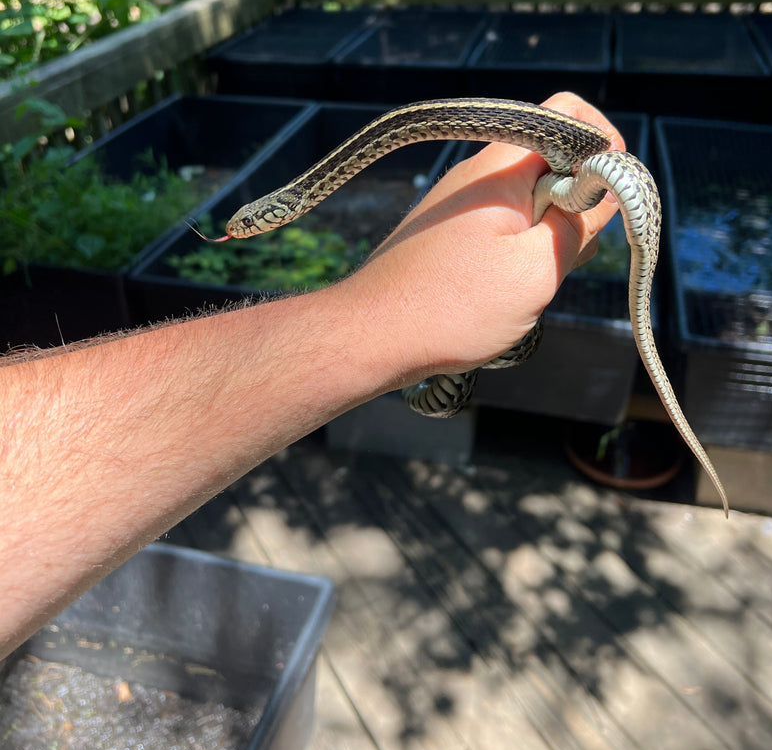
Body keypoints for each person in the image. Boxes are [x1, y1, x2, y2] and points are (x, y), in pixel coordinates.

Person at [0, 92, 623, 659]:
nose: (239, 232)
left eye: (248, 225)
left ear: (278, 212)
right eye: (243, 227)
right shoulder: (312, 184)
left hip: (557, 161)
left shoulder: (341, 165)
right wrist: (370, 320)